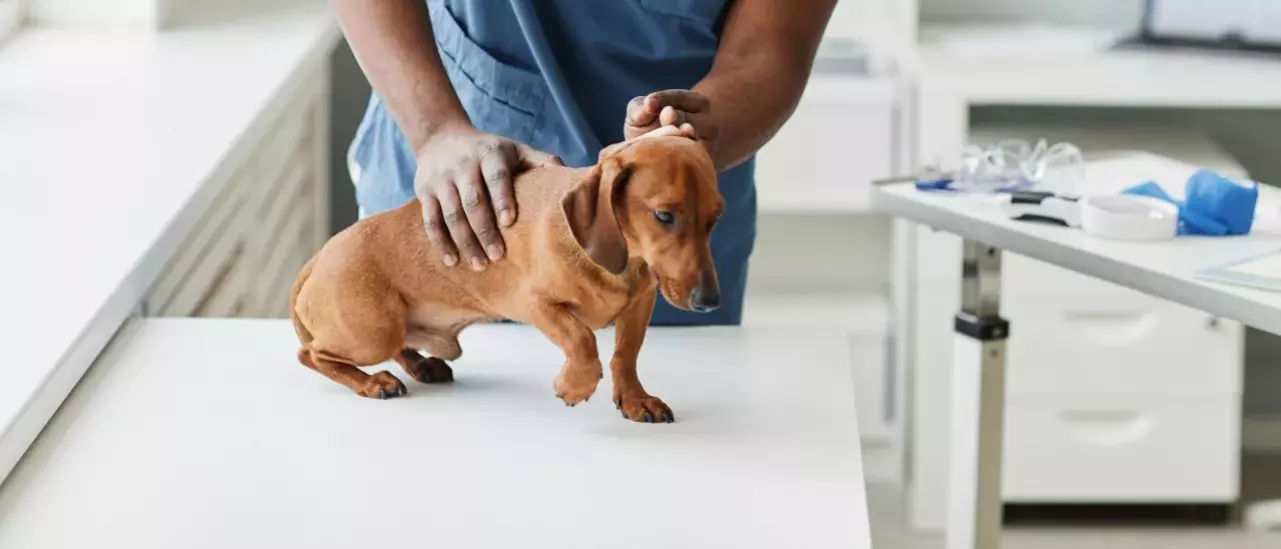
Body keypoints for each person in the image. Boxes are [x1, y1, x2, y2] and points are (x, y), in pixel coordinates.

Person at [334, 0, 837, 326]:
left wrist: (690, 134)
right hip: (451, 172)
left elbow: (768, 51)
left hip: (670, 223)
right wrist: (434, 129)